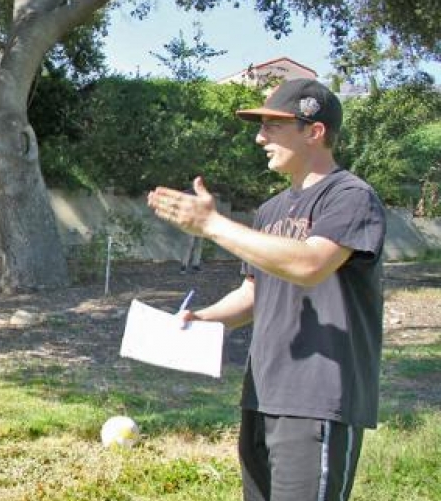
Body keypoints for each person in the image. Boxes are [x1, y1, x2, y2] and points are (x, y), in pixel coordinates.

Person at [147, 78, 386, 501]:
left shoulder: (351, 197)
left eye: (273, 127)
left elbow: (310, 264)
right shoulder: (270, 210)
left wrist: (211, 225)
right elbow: (255, 294)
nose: (260, 138)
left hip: (318, 399)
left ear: (314, 132)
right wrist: (200, 319)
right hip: (262, 394)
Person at [179, 188, 203, 274]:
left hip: (199, 223)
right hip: (189, 224)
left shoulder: (201, 194)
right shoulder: (186, 194)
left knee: (198, 244)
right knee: (188, 245)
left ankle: (195, 264)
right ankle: (183, 266)